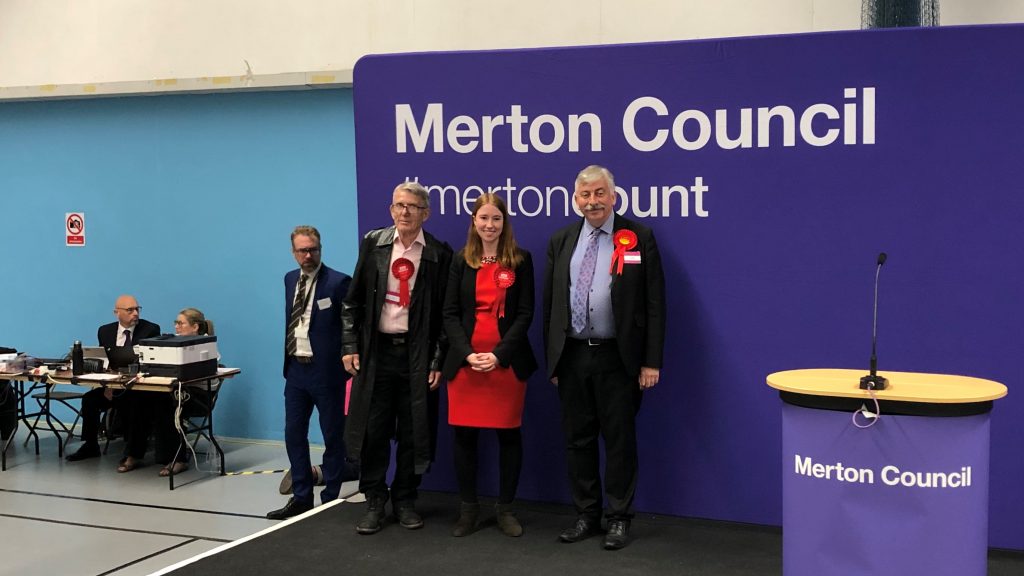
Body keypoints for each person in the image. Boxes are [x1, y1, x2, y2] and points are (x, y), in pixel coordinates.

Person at [543, 165, 665, 550]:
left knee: (619, 441)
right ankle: (586, 515)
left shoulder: (637, 236)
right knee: (577, 441)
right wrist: (555, 361)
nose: (592, 202)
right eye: (585, 195)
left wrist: (651, 361)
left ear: (613, 196)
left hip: (619, 359)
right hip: (574, 357)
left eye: (599, 194)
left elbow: (655, 304)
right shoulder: (562, 240)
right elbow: (552, 306)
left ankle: (618, 518)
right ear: (576, 199)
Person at [342, 181, 453, 535]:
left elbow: (444, 316)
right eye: (399, 205)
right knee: (374, 431)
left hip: (416, 357)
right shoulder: (373, 244)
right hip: (376, 354)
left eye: (413, 206)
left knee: (412, 431)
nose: (405, 212)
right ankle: (375, 498)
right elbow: (352, 301)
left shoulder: (438, 253)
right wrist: (349, 345)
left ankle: (405, 498)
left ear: (426, 213)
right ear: (391, 210)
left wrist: (437, 360)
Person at [442, 193, 537, 537]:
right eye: (483, 218)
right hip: (466, 365)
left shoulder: (521, 261)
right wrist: (468, 353)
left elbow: (525, 313)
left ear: (505, 223)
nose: (489, 225)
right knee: (464, 437)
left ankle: (506, 509)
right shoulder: (459, 261)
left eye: (496, 218)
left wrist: (499, 354)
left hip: (506, 364)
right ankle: (468, 510)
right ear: (473, 222)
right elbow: (450, 313)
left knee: (508, 436)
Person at [267, 226, 356, 520]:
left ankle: (330, 496)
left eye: (313, 250)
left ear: (320, 249)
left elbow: (349, 327)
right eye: (303, 250)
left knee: (333, 436)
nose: (308, 255)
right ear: (293, 253)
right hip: (295, 370)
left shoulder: (339, 282)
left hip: (327, 372)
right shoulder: (289, 279)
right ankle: (301, 496)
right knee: (294, 433)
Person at [66, 295, 160, 472]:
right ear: (116, 312)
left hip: (138, 387)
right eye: (129, 310)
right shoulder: (105, 331)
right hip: (112, 385)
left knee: (136, 404)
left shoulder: (150, 329)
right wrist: (107, 385)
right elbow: (106, 362)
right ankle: (90, 445)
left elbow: (149, 362)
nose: (135, 314)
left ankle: (133, 453)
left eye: (137, 309)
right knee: (90, 400)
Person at [149, 307, 216, 477]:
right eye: (175, 323)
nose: (176, 327)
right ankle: (151, 454)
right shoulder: (174, 343)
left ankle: (179, 459)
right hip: (180, 391)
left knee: (168, 406)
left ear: (195, 327)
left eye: (181, 323)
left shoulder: (206, 346)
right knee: (149, 399)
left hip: (200, 397)